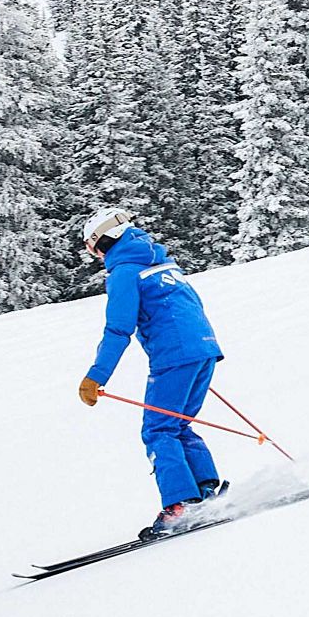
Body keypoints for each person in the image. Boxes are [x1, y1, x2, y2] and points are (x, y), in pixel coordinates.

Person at [74, 208, 230, 539]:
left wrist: (96, 376)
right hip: (203, 348)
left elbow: (118, 328)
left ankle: (180, 505)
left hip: (176, 355)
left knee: (159, 429)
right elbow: (192, 306)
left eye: (92, 247)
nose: (96, 255)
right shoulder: (164, 263)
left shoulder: (124, 272)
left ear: (103, 241)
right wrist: (194, 352)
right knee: (177, 424)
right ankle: (204, 492)